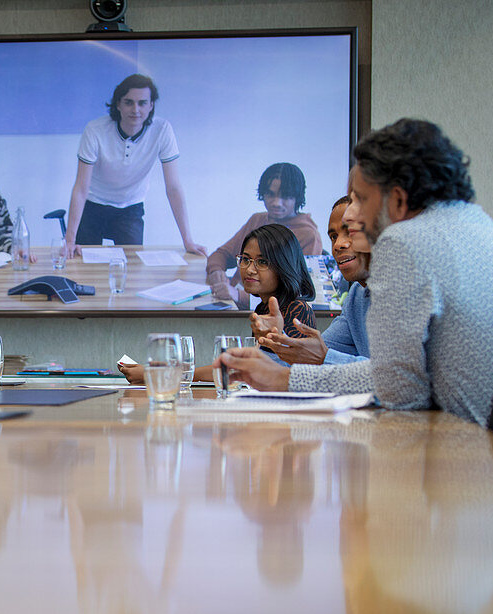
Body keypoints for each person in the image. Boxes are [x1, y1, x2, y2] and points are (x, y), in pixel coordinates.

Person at [216, 118, 493, 425]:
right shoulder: (488, 235)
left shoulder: (405, 240)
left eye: (359, 200)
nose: (350, 217)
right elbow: (405, 379)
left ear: (397, 201)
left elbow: (399, 391)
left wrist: (283, 380)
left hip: (472, 469)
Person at [118, 223, 314, 385]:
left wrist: (165, 374)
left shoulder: (297, 309)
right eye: (245, 259)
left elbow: (252, 370)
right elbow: (247, 368)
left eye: (262, 262)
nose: (249, 269)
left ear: (284, 265)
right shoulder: (262, 308)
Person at [63, 74, 205, 257]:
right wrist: (69, 240)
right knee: (82, 266)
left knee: (132, 268)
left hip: (130, 208)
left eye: (142, 103)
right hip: (93, 205)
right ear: (118, 104)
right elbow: (81, 187)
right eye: (129, 102)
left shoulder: (162, 130)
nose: (135, 110)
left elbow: (173, 187)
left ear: (151, 105)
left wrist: (188, 240)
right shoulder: (95, 130)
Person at [259, 195, 371, 365]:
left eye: (350, 232)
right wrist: (276, 340)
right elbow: (306, 357)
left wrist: (324, 357)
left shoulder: (408, 288)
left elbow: (396, 377)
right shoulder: (357, 295)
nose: (338, 245)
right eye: (333, 236)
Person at [206, 162, 322, 306]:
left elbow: (294, 293)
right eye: (270, 194)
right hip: (232, 303)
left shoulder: (308, 235)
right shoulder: (257, 219)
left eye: (285, 196)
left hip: (268, 314)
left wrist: (238, 295)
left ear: (297, 197)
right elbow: (222, 254)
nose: (276, 203)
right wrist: (216, 272)